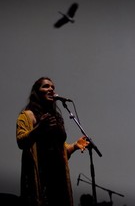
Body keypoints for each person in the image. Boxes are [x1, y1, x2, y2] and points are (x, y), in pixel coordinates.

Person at [16, 77, 90, 206]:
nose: (51, 89)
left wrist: (74, 146)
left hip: (58, 181)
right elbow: (21, 142)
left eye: (53, 87)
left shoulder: (56, 118)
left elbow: (59, 151)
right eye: (46, 86)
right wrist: (39, 128)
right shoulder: (27, 115)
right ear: (36, 92)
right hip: (40, 179)